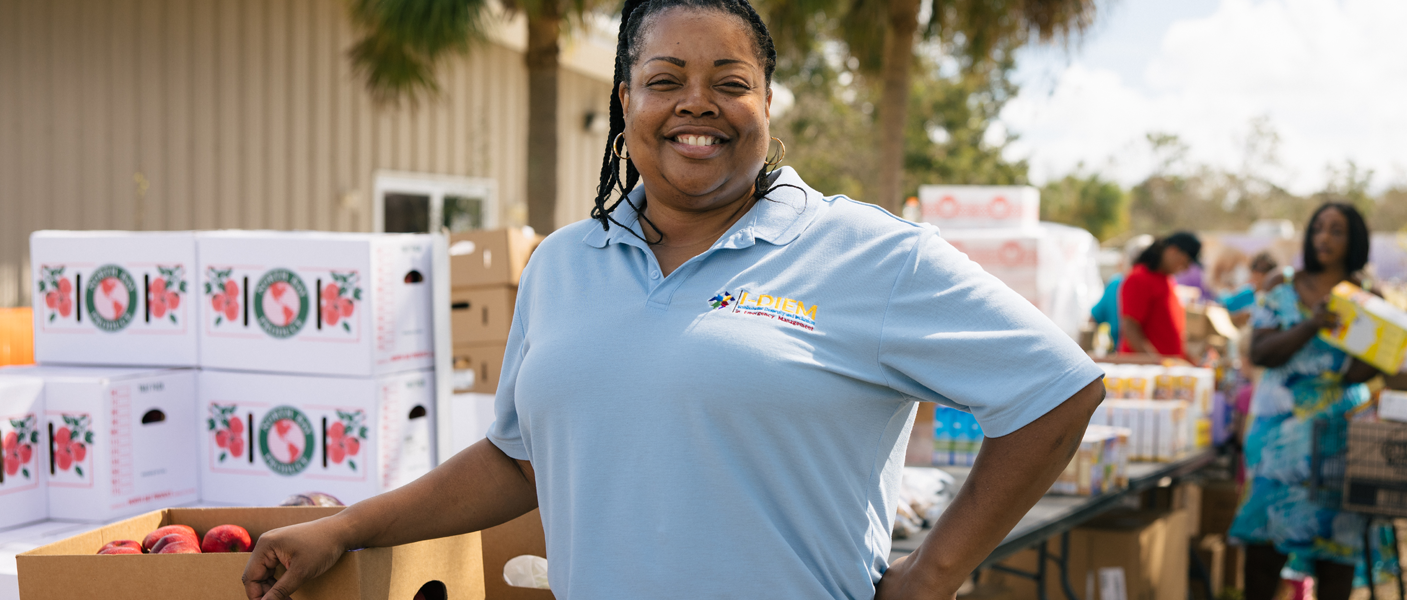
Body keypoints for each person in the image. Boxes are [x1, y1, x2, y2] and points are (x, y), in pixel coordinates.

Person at [240, 1, 1105, 599]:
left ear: (766, 105)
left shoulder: (866, 253)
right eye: (665, 79)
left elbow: (1055, 391)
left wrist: (930, 578)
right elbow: (518, 462)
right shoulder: (564, 263)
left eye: (730, 80)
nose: (698, 102)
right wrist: (348, 528)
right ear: (626, 104)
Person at [1228, 203, 1389, 600]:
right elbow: (1262, 353)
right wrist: (1312, 324)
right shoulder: (1280, 288)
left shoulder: (1367, 297)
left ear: (1354, 240)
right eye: (1318, 228)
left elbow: (1355, 373)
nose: (1324, 238)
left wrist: (1397, 339)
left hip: (1338, 435)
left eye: (1336, 230)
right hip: (1277, 435)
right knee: (1263, 546)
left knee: (1336, 549)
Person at [1118, 232, 1201, 359]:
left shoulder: (1167, 280)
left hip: (1164, 370)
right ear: (1173, 251)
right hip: (1144, 372)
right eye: (1185, 262)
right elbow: (1130, 329)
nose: (1185, 268)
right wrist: (1157, 363)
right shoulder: (1139, 278)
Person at [1091, 234, 1154, 350]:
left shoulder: (1117, 283)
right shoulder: (1122, 283)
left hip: (1131, 357)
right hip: (1136, 357)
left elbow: (1092, 319)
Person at [1222, 251, 1279, 326]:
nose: (1258, 273)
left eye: (1264, 270)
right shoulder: (1247, 293)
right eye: (1255, 268)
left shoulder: (1278, 296)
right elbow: (1224, 305)